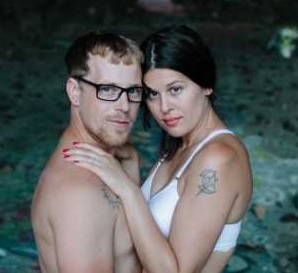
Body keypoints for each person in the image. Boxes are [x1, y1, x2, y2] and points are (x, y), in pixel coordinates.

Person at [65, 25, 253, 273]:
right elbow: (140, 235)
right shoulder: (178, 147)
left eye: (175, 89)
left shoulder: (219, 159)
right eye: (152, 94)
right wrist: (131, 161)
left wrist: (128, 190)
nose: (164, 107)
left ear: (206, 85)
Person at [31, 30, 145, 273]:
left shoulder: (108, 163)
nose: (124, 106)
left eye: (133, 91)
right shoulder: (80, 194)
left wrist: (131, 173)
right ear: (75, 92)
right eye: (107, 89)